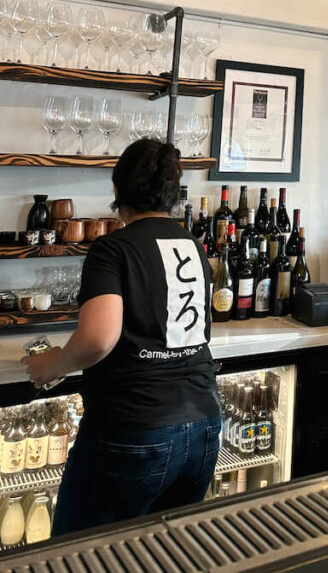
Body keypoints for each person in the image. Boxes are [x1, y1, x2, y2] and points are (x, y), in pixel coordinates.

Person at [23, 138, 221, 535]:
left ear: (116, 190)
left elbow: (99, 338)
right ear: (172, 194)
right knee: (161, 553)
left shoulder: (112, 249)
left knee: (81, 554)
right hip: (204, 425)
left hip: (133, 429)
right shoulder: (193, 246)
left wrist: (51, 364)